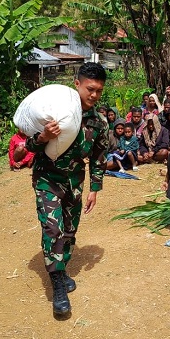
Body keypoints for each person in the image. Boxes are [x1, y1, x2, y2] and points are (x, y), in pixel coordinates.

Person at [25, 62, 108, 317]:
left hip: (74, 182)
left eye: (99, 91)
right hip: (47, 179)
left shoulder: (99, 121)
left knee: (70, 231)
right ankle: (58, 284)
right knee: (52, 228)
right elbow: (28, 146)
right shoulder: (54, 113)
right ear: (77, 84)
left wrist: (94, 188)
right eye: (90, 89)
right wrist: (42, 138)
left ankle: (62, 267)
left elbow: (99, 157)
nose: (93, 95)